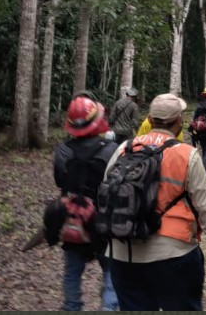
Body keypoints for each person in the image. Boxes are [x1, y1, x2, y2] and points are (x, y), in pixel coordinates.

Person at [107, 93, 206, 311]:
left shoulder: (123, 149)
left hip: (123, 253)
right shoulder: (186, 154)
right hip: (174, 254)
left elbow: (106, 195)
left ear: (150, 120)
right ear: (178, 122)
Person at [53, 93, 120, 311]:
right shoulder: (112, 150)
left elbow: (59, 180)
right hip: (104, 222)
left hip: (74, 219)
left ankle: (72, 307)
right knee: (110, 269)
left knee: (72, 271)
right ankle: (109, 308)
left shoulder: (62, 151)